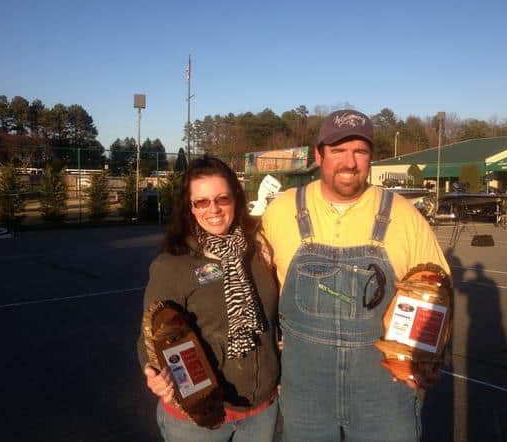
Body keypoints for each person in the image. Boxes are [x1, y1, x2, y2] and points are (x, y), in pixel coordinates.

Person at [262, 110, 451, 442]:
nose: (350, 162)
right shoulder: (281, 211)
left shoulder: (404, 215)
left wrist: (429, 357)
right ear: (318, 154)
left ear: (370, 158)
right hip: (305, 393)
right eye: (338, 150)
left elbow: (438, 294)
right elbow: (250, 286)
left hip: (383, 394)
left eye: (360, 151)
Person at [138, 156, 280, 442]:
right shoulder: (173, 264)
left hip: (261, 410)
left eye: (222, 198)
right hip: (199, 416)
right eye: (201, 201)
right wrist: (152, 372)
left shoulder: (258, 250)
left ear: (236, 199)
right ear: (189, 208)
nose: (213, 209)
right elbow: (151, 335)